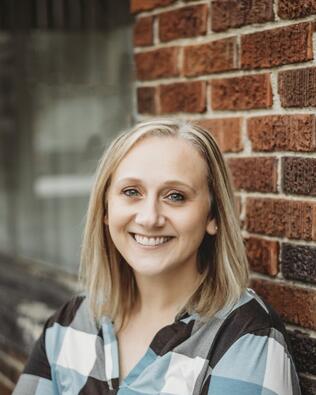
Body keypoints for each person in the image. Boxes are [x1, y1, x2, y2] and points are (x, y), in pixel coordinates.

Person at [13, 119, 301, 395]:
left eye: (175, 196)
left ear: (212, 216)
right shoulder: (70, 323)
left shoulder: (244, 337)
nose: (149, 218)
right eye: (131, 192)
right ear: (105, 209)